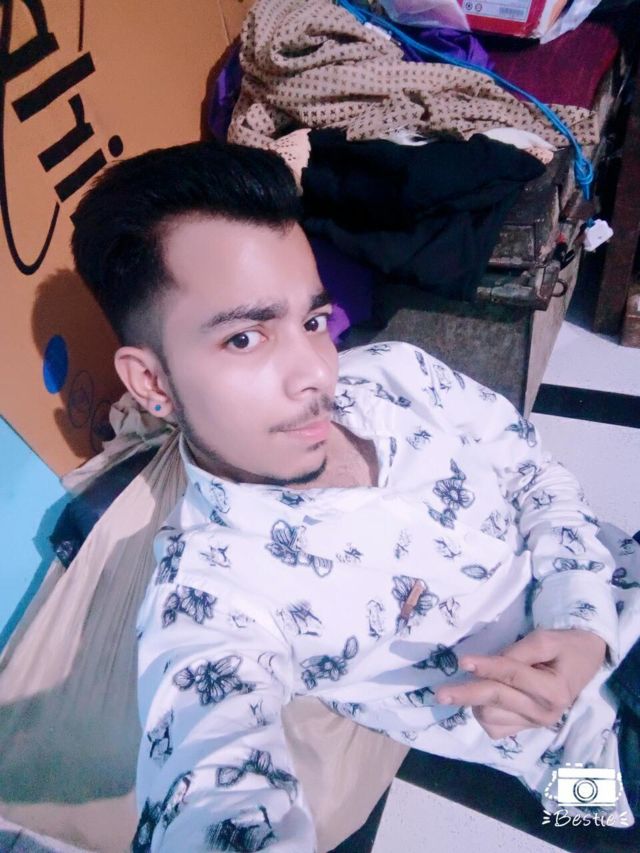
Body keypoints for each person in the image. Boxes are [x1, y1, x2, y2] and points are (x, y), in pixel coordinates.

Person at [71, 140, 640, 852]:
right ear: (152, 383)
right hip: (594, 777)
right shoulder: (212, 595)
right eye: (245, 338)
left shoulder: (398, 374)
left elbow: (535, 473)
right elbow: (210, 779)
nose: (315, 371)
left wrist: (584, 624)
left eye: (312, 321)